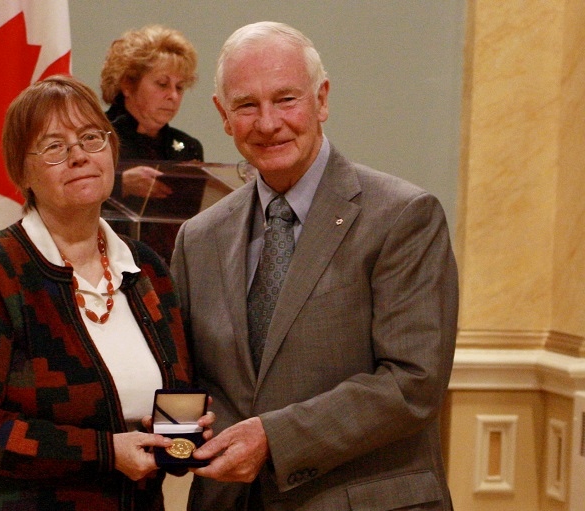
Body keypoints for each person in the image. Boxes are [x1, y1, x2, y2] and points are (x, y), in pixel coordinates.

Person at [171, 22, 458, 510]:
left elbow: (413, 382)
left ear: (321, 100)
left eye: (286, 99)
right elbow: (182, 380)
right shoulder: (198, 237)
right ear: (223, 115)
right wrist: (177, 450)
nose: (267, 123)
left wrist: (274, 439)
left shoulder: (403, 217)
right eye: (246, 105)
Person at [0, 75, 212, 511]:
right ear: (22, 172)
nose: (79, 156)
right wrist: (104, 453)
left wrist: (183, 441)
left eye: (90, 138)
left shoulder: (147, 270)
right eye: (54, 147)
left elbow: (176, 399)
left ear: (112, 151)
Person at [100, 25, 204, 263]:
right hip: (106, 264)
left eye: (179, 87)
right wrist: (119, 184)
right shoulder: (96, 137)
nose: (173, 96)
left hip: (170, 267)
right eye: (162, 84)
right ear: (128, 84)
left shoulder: (188, 147)